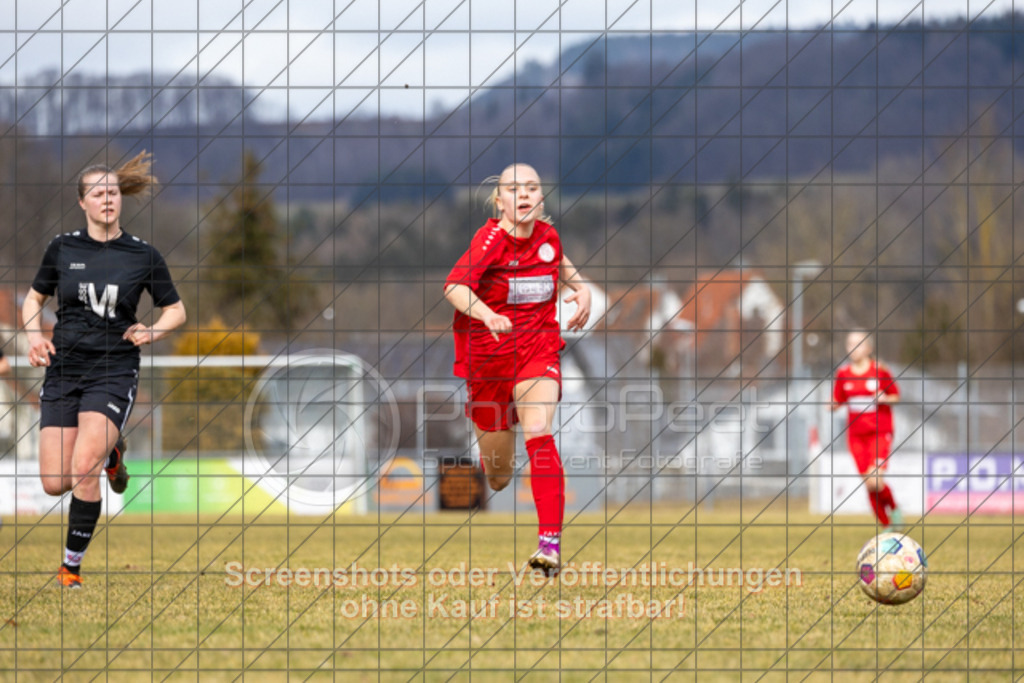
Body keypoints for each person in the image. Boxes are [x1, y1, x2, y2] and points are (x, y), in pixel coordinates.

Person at [22, 151, 187, 588]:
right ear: (83, 203)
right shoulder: (62, 248)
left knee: (83, 469)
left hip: (112, 371)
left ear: (121, 199)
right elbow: (34, 299)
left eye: (113, 192)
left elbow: (176, 310)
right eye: (98, 193)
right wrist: (32, 336)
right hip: (63, 370)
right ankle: (113, 454)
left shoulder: (142, 255)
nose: (107, 199)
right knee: (55, 482)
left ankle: (70, 569)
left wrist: (153, 331)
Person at [444, 163, 591, 574]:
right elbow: (454, 286)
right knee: (499, 477)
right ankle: (498, 465)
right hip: (488, 362)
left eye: (531, 188)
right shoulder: (489, 239)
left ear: (541, 198)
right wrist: (488, 315)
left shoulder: (548, 237)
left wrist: (580, 291)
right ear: (499, 200)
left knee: (540, 433)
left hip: (536, 352)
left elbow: (557, 260)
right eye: (513, 189)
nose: (523, 194)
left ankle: (550, 548)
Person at [832, 330, 902, 530]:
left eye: (858, 343)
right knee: (869, 483)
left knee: (876, 480)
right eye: (850, 343)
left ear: (868, 348)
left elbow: (896, 396)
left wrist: (885, 398)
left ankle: (894, 509)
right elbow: (838, 399)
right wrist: (832, 405)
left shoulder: (880, 371)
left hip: (880, 432)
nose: (853, 348)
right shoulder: (843, 374)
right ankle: (887, 527)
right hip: (855, 436)